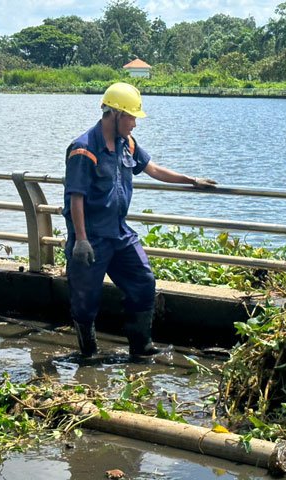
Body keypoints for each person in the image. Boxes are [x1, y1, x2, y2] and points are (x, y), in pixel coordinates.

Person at [63, 82, 217, 357]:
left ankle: (141, 346)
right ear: (115, 114)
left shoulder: (127, 144)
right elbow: (76, 196)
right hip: (91, 236)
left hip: (119, 233)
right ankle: (88, 354)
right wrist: (82, 240)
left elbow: (153, 169)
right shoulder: (84, 149)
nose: (134, 123)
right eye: (131, 117)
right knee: (86, 301)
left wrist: (191, 181)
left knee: (143, 281)